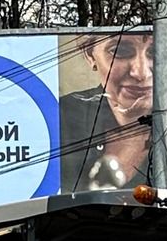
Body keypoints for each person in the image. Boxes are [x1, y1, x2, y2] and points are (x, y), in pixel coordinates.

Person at [62, 30, 155, 188]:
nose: (141, 73)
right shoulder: (60, 115)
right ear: (89, 54)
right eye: (120, 51)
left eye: (156, 52)